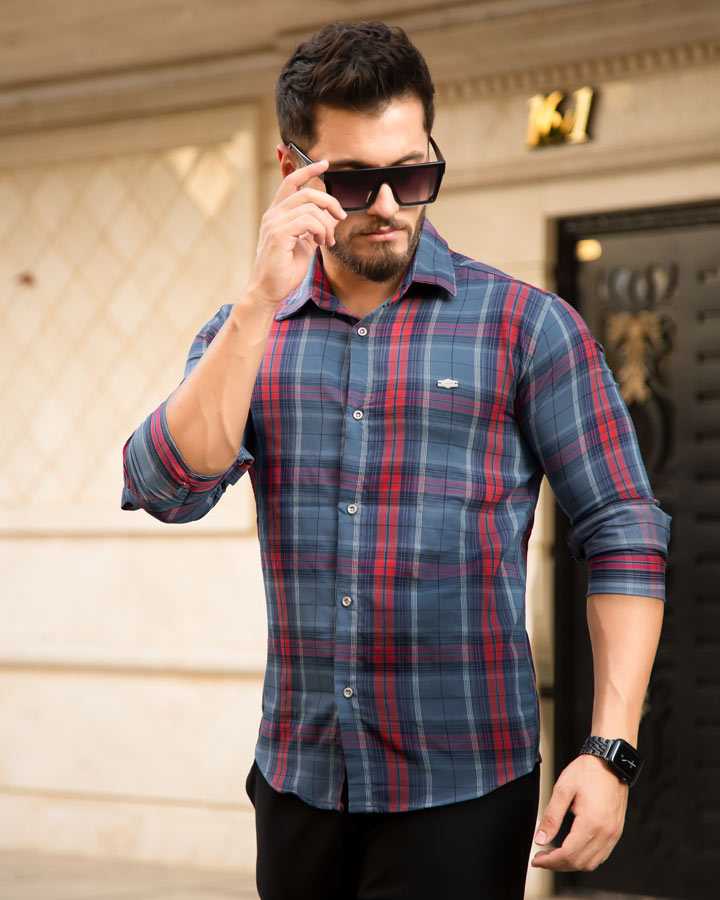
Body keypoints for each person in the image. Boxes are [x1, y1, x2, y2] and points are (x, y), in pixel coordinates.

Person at [121, 21, 670, 900]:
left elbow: (623, 531)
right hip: (298, 778)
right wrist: (258, 302)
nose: (387, 204)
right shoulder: (249, 334)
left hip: (462, 787)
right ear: (292, 171)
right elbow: (164, 488)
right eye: (352, 180)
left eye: (412, 176)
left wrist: (610, 750)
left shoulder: (526, 327)